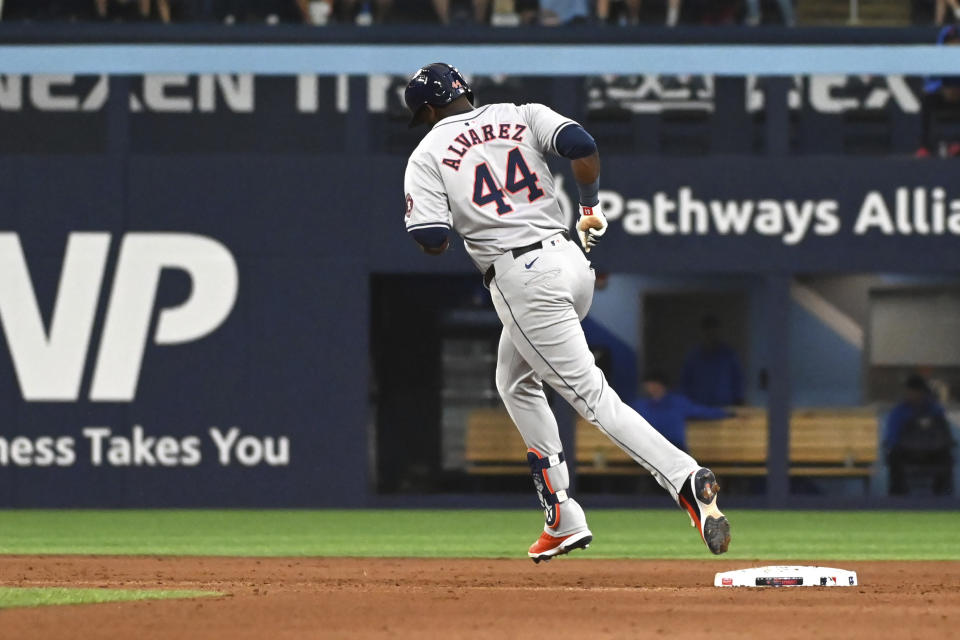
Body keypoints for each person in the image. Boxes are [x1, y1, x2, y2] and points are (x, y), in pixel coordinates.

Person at [402, 62, 731, 562]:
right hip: (570, 259)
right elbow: (580, 144)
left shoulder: (427, 152)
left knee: (593, 399)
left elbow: (431, 240)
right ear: (466, 91)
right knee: (513, 381)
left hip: (522, 278)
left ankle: (685, 478)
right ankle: (561, 513)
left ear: (426, 110)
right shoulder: (521, 112)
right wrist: (589, 205)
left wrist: (456, 216)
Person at [883, 374, 955, 496]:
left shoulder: (935, 410)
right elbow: (892, 437)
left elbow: (944, 434)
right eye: (910, 390)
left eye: (915, 391)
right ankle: (896, 498)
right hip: (907, 453)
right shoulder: (899, 411)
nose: (911, 394)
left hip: (933, 453)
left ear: (922, 392)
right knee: (894, 456)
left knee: (946, 456)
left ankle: (943, 497)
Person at [630, 371, 732, 453]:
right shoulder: (640, 405)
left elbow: (703, 411)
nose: (651, 387)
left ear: (662, 385)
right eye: (649, 384)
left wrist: (728, 413)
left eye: (653, 384)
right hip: (651, 449)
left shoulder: (678, 403)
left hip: (674, 448)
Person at [915, 26, 960, 158]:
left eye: (957, 40)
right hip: (943, 97)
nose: (954, 44)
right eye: (950, 41)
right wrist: (943, 89)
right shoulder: (935, 59)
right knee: (927, 99)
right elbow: (929, 86)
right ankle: (925, 146)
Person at [680, 315, 744, 407]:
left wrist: (738, 399)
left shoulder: (728, 355)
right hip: (699, 406)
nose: (711, 335)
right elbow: (685, 382)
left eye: (713, 331)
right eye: (708, 332)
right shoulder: (693, 357)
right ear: (703, 332)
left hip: (724, 406)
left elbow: (737, 379)